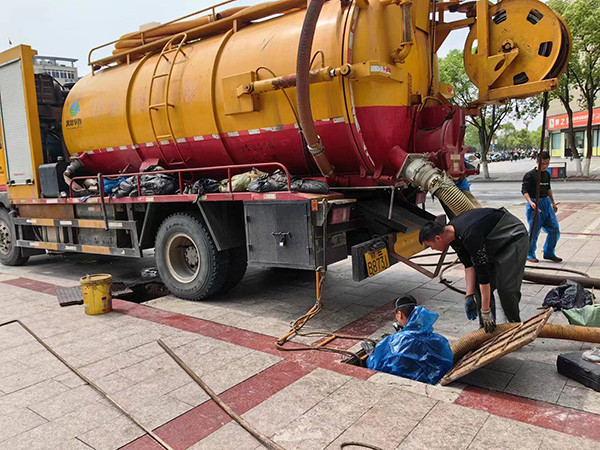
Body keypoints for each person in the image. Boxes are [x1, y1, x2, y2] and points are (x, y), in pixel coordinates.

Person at [419, 208, 528, 332]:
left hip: (512, 235)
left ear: (438, 238)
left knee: (506, 288)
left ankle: (514, 325)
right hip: (493, 241)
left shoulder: (470, 235)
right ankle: (487, 328)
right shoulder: (452, 235)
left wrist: (485, 310)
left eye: (430, 245)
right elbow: (469, 265)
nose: (432, 249)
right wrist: (469, 296)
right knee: (477, 286)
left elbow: (483, 274)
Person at [365, 296, 453, 385]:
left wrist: (371, 355)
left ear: (400, 314)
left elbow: (379, 368)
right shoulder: (439, 339)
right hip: (432, 381)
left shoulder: (398, 340)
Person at [521, 151, 561, 263]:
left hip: (546, 204)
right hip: (535, 204)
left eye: (547, 163)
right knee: (534, 231)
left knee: (554, 229)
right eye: (543, 163)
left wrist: (553, 202)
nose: (545, 166)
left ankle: (549, 252)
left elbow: (548, 189)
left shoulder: (547, 174)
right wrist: (530, 202)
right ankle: (529, 254)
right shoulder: (530, 175)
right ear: (537, 161)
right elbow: (524, 191)